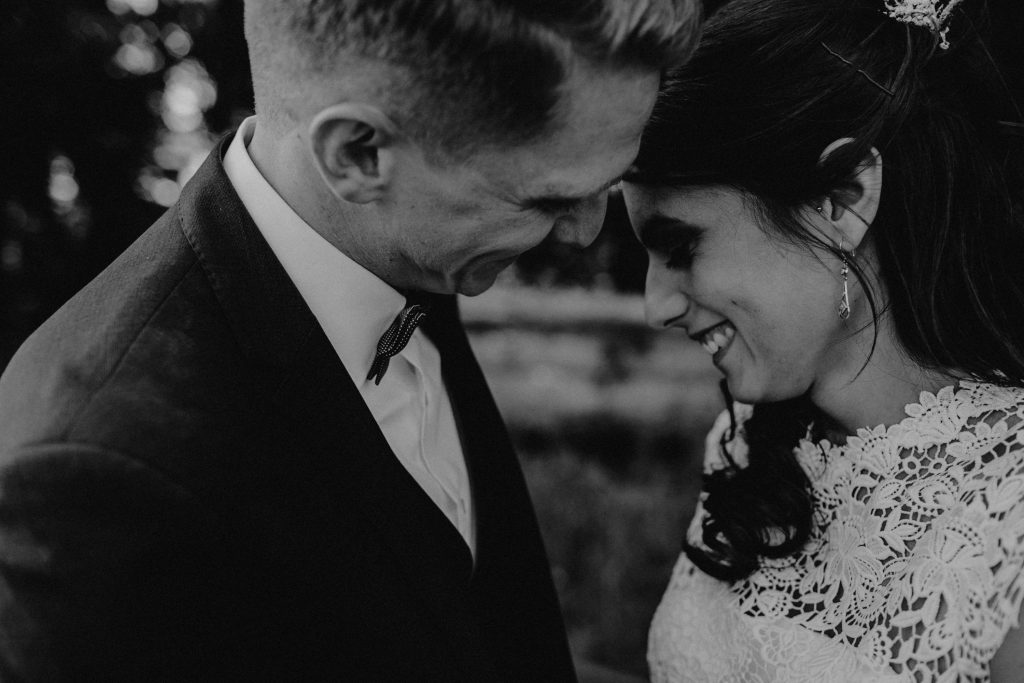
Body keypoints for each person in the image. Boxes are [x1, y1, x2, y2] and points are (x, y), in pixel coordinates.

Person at [0, 1, 700, 680]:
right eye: (547, 200)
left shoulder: (405, 246)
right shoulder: (94, 477)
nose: (584, 231)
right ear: (359, 154)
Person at [621, 0, 1024, 680]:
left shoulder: (1007, 510)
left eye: (682, 245)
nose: (654, 304)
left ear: (842, 197)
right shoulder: (746, 445)